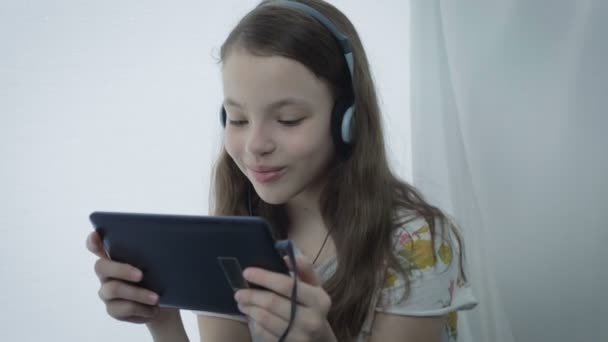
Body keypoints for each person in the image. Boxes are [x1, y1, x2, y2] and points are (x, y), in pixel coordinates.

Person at [86, 0, 477, 341]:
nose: (256, 145)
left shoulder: (415, 243)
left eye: (288, 119)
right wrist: (163, 319)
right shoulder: (235, 226)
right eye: (237, 119)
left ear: (349, 120)